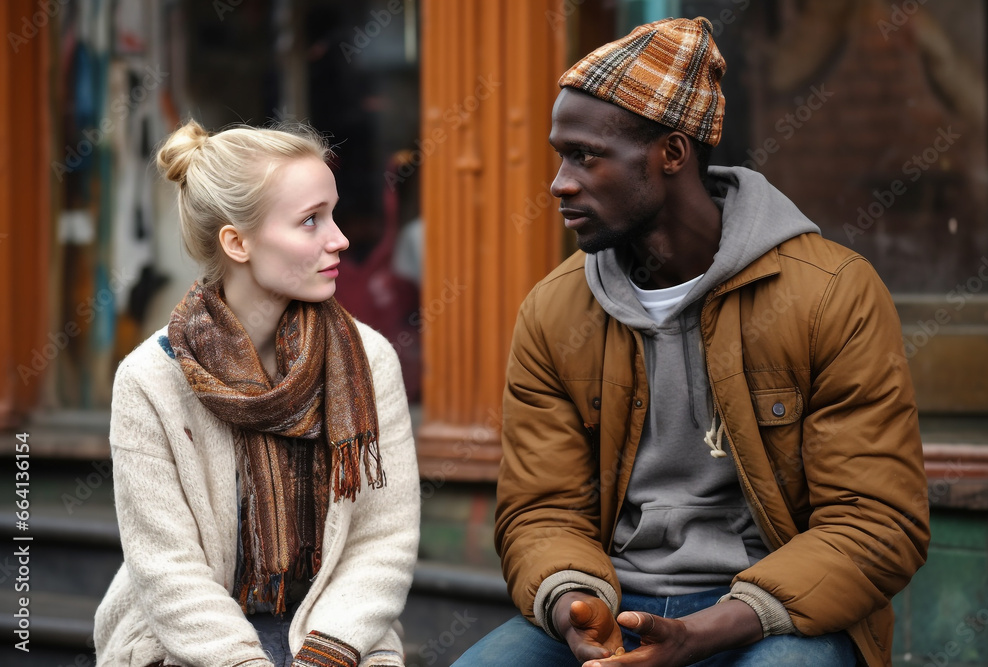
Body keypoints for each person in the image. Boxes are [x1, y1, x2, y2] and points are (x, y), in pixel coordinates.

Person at [455, 17, 929, 667]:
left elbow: (877, 523)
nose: (559, 182)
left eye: (586, 156)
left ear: (672, 154)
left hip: (772, 615)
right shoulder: (554, 310)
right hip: (616, 599)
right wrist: (574, 603)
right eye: (560, 154)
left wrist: (709, 630)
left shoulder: (831, 292)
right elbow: (542, 509)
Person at [94, 120, 420, 667]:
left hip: (334, 631)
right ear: (237, 242)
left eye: (333, 214)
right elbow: (167, 570)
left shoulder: (369, 360)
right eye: (310, 220)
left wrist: (327, 653)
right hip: (189, 643)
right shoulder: (150, 380)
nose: (339, 238)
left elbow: (382, 541)